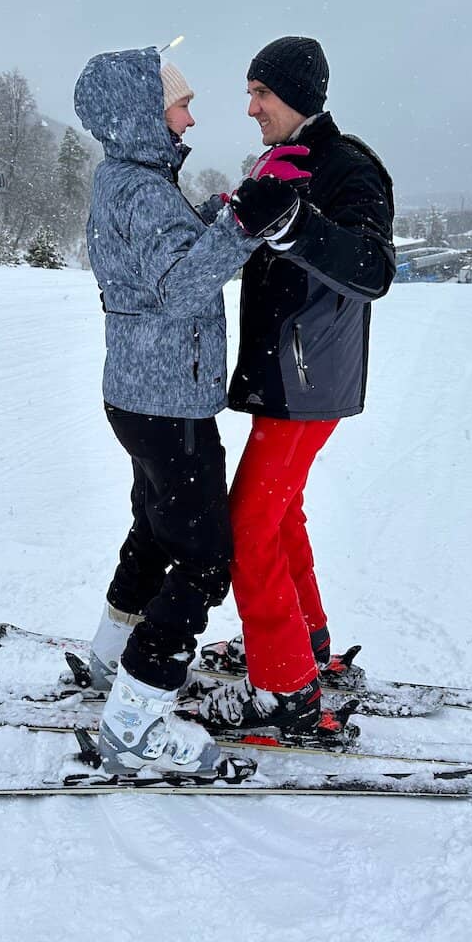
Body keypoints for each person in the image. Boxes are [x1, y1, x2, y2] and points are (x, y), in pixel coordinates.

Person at [73, 46, 299, 779]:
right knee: (204, 558)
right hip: (166, 402)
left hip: (142, 395)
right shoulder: (140, 189)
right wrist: (244, 227)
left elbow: (159, 258)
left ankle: (111, 656)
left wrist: (215, 215)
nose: (191, 118)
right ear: (144, 114)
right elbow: (178, 284)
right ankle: (135, 720)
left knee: (154, 530)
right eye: (181, 104)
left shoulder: (129, 179)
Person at [195, 36, 397, 733]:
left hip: (308, 382)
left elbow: (374, 269)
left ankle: (285, 690)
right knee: (278, 516)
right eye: (250, 93)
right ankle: (305, 642)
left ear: (298, 97)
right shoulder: (287, 160)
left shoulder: (347, 166)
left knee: (248, 528)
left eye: (261, 94)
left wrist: (295, 225)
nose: (250, 108)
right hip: (285, 378)